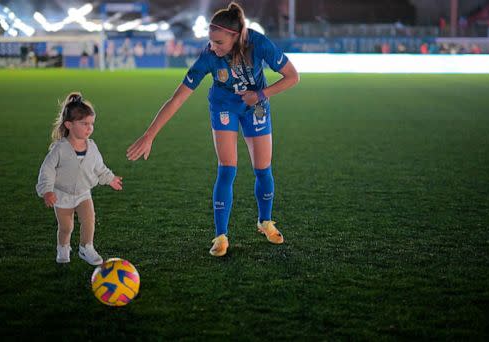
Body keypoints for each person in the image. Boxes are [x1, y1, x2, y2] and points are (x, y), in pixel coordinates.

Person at [126, 2, 299, 257]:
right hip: (224, 106)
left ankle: (265, 221)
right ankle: (220, 236)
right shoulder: (208, 57)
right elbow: (177, 98)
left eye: (219, 42)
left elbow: (293, 76)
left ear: (236, 36)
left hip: (255, 105)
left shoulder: (258, 43)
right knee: (227, 168)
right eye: (211, 41)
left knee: (263, 168)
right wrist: (149, 134)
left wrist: (260, 94)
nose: (212, 47)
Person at [36, 92, 123, 265]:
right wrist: (46, 191)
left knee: (89, 220)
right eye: (84, 124)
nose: (89, 128)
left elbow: (99, 167)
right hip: (62, 195)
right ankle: (63, 248)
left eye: (91, 123)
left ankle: (86, 248)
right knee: (66, 227)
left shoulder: (92, 146)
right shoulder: (59, 149)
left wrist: (110, 178)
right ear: (69, 124)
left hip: (84, 193)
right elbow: (47, 170)